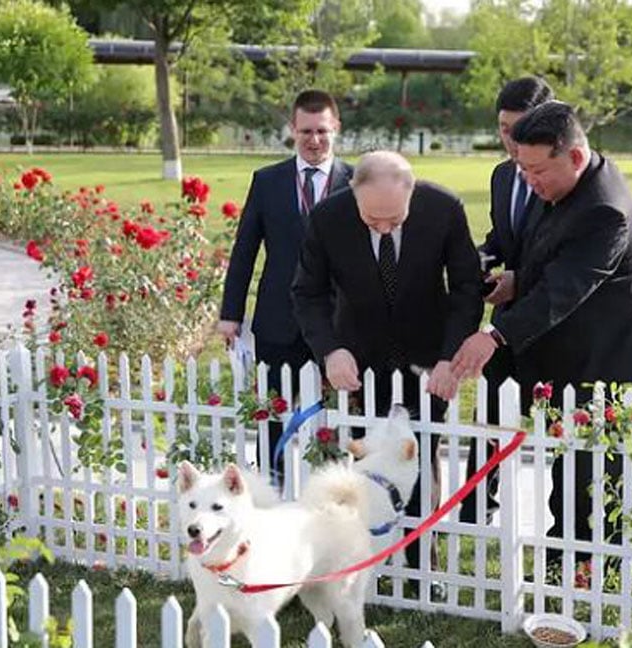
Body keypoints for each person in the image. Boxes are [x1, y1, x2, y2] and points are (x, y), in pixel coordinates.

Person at [450, 101, 632, 564]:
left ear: (573, 156)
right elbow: (544, 259)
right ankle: (564, 567)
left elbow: (563, 291)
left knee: (598, 486)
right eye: (521, 168)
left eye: (536, 170)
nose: (528, 181)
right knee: (569, 473)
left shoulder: (605, 211)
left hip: (614, 360)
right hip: (572, 356)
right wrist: (514, 280)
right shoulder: (558, 186)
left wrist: (493, 336)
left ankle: (597, 579)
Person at [292, 150, 482, 571]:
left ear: (411, 195)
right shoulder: (327, 218)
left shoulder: (444, 209)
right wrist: (330, 350)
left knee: (421, 455)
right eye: (372, 220)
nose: (382, 228)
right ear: (353, 194)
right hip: (359, 362)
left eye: (394, 221)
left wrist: (450, 358)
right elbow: (307, 293)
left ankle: (420, 566)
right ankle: (366, 564)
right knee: (365, 462)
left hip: (429, 361)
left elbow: (467, 289)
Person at [218, 90, 353, 484]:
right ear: (292, 130)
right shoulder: (267, 181)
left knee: (333, 418)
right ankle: (272, 491)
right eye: (306, 131)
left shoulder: (357, 180)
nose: (314, 140)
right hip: (277, 321)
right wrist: (230, 313)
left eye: (323, 131)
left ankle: (329, 494)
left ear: (336, 129)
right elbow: (245, 249)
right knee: (272, 417)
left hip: (336, 323)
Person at [460, 76, 554, 525]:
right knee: (488, 419)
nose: (512, 141)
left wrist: (521, 280)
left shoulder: (560, 179)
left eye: (521, 129)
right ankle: (478, 507)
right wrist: (478, 260)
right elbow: (504, 238)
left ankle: (565, 528)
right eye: (503, 129)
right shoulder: (501, 175)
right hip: (505, 321)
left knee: (559, 431)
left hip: (555, 321)